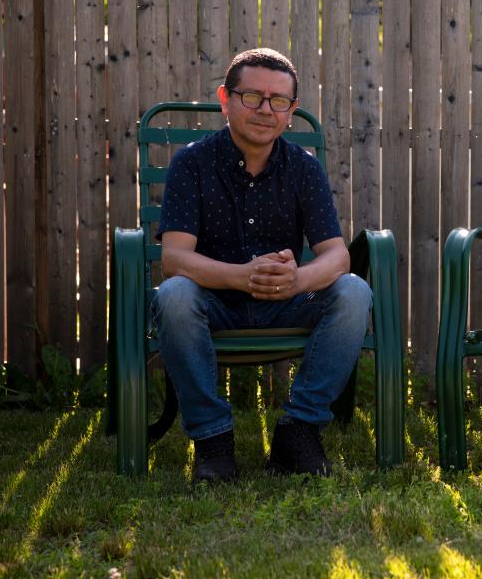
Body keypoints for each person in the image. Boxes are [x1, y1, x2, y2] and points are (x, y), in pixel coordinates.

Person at [151, 48, 372, 483]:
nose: (264, 109)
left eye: (278, 101)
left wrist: (297, 280)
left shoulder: (304, 170)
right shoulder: (191, 164)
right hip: (213, 303)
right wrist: (242, 275)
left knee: (354, 291)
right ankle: (213, 442)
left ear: (291, 111)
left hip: (281, 301)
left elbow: (337, 255)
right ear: (225, 99)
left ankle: (298, 433)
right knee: (174, 295)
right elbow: (174, 259)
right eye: (252, 96)